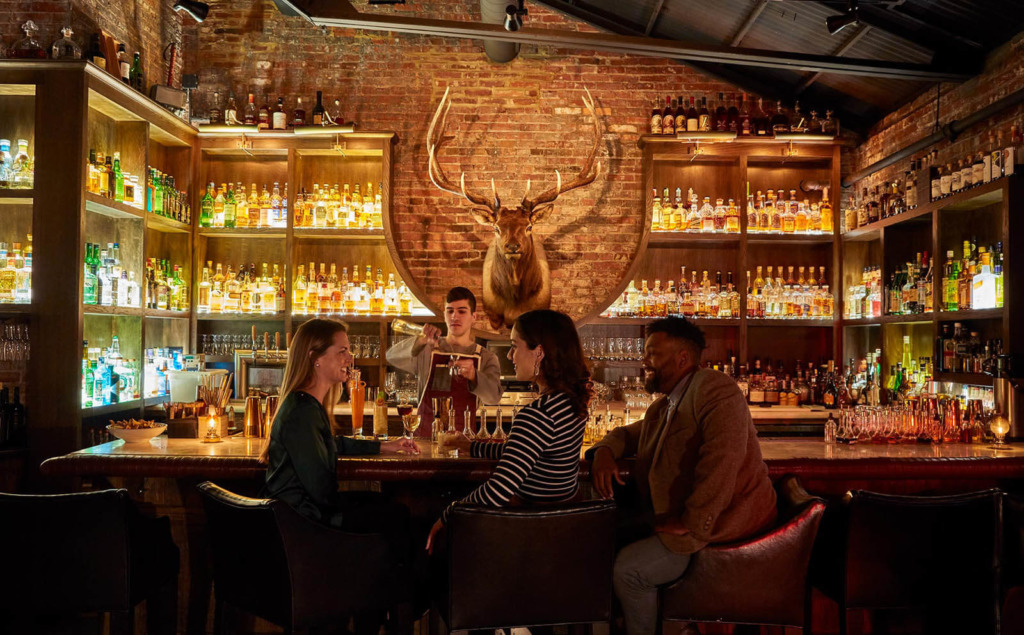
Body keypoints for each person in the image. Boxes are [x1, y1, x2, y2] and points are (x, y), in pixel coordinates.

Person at [587, 317, 777, 635]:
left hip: (722, 527)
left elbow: (722, 459)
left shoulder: (715, 388)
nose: (643, 361)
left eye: (652, 354)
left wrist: (692, 521)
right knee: (598, 545)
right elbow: (628, 434)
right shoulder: (665, 405)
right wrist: (604, 451)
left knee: (629, 570)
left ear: (682, 358)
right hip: (685, 520)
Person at [426, 308, 592, 552]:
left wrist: (447, 514)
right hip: (557, 533)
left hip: (524, 535)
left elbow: (499, 490)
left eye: (515, 345)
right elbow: (524, 453)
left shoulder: (538, 414)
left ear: (539, 352)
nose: (510, 354)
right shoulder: (570, 404)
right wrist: (470, 446)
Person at [260, 318, 419, 528]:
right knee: (400, 515)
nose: (350, 358)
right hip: (304, 526)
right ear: (315, 358)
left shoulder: (307, 405)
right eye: (342, 351)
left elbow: (331, 444)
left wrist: (384, 446)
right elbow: (321, 491)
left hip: (305, 516)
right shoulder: (302, 412)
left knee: (388, 506)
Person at [386, 287, 502, 436]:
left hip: (464, 441)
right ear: (444, 314)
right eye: (450, 311)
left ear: (474, 317)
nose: (455, 316)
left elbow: (493, 398)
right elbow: (391, 356)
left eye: (461, 311)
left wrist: (474, 375)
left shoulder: (486, 357)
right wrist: (420, 341)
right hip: (425, 440)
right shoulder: (427, 348)